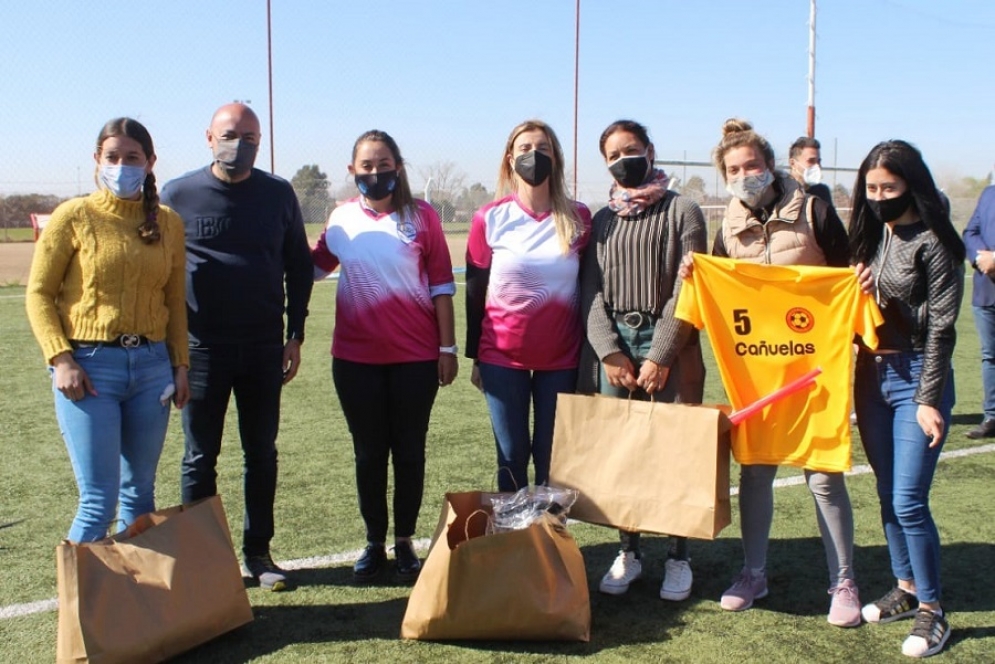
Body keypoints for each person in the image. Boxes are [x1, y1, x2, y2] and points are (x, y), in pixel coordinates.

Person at [680, 119, 860, 626]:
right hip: (756, 371)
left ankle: (844, 579)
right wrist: (695, 275)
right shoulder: (728, 222)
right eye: (733, 169)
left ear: (770, 164)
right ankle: (753, 572)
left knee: (823, 476)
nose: (744, 175)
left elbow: (847, 275)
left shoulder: (814, 209)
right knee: (755, 471)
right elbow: (717, 284)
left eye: (752, 165)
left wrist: (858, 280)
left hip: (814, 369)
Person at [160, 103, 313, 591]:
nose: (239, 143)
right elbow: (159, 272)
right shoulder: (177, 194)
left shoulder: (277, 194)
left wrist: (295, 333)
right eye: (230, 134)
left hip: (263, 349)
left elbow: (299, 266)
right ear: (208, 137)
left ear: (260, 142)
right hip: (201, 351)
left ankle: (259, 553)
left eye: (250, 137)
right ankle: (204, 557)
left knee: (260, 454)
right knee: (199, 457)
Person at [26, 117, 189, 543]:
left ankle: (133, 606)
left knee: (140, 495)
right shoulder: (73, 216)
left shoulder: (169, 223)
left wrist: (180, 365)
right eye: (112, 157)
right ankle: (80, 609)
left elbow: (174, 302)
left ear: (150, 162)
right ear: (97, 160)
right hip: (90, 369)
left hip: (153, 369)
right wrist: (61, 359)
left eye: (132, 157)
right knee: (99, 499)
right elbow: (39, 294)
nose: (121, 165)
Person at [312, 130, 457, 583]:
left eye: (384, 163)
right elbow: (310, 268)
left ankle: (405, 542)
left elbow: (441, 289)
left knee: (410, 452)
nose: (376, 173)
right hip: (355, 361)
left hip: (415, 359)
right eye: (367, 166)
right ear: (353, 171)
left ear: (398, 166)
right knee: (369, 454)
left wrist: (447, 348)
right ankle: (374, 543)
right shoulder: (340, 220)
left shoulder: (423, 217)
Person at [580, 119, 707, 602]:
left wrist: (660, 353)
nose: (622, 160)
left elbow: (687, 287)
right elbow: (589, 289)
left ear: (650, 151)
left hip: (670, 340)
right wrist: (608, 350)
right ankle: (629, 551)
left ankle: (679, 556)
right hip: (615, 342)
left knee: (675, 448)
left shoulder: (684, 211)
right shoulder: (601, 220)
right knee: (623, 451)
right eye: (612, 155)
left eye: (630, 150)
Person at [849, 140, 964, 658]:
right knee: (887, 494)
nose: (877, 198)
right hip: (872, 375)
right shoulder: (875, 233)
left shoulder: (936, 242)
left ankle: (934, 612)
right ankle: (907, 586)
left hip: (918, 375)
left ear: (911, 184)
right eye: (871, 189)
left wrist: (928, 398)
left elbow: (941, 329)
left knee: (909, 501)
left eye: (888, 189)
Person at [465, 119, 591, 494]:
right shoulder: (488, 218)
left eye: (543, 149)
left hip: (563, 358)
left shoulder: (579, 216)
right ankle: (514, 544)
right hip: (502, 359)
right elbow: (475, 292)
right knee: (511, 456)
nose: (533, 155)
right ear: (509, 159)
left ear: (556, 159)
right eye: (524, 148)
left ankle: (550, 543)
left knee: (553, 458)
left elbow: (592, 287)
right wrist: (476, 357)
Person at [962, 184, 995, 438]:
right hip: (986, 290)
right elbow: (969, 232)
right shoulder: (988, 193)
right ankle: (992, 416)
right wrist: (980, 258)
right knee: (989, 356)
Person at [788, 136, 834, 207]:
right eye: (811, 161)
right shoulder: (779, 192)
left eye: (818, 161)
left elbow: (832, 218)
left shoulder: (822, 192)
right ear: (793, 164)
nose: (817, 166)